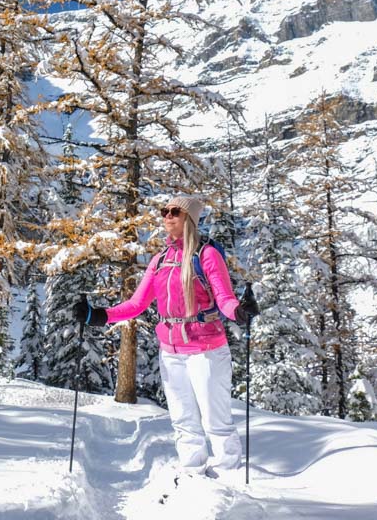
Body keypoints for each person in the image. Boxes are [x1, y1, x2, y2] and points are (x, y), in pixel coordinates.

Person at [73, 195, 260, 480]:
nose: (168, 216)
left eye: (176, 212)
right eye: (165, 211)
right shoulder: (161, 260)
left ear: (190, 219)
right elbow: (137, 304)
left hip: (206, 349)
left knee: (215, 419)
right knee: (183, 418)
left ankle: (227, 474)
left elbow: (224, 299)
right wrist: (98, 316)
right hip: (171, 351)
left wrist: (240, 312)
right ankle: (192, 470)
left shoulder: (206, 255)